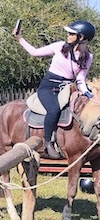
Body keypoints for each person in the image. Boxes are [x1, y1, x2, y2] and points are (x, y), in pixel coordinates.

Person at [14, 19, 96, 159]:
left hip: (68, 88)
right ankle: (48, 143)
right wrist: (20, 38)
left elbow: (81, 79)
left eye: (71, 34)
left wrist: (89, 94)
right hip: (48, 87)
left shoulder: (88, 57)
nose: (68, 35)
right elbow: (35, 52)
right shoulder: (59, 46)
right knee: (54, 109)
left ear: (81, 37)